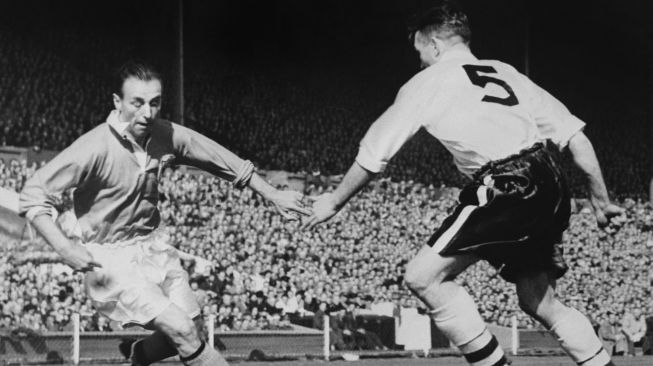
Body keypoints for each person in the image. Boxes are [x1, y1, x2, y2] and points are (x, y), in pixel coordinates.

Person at [304, 2, 622, 366]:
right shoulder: (506, 72)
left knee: (423, 277)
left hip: (507, 181)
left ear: (435, 45)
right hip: (551, 180)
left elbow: (374, 153)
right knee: (540, 302)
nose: (420, 60)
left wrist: (334, 201)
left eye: (420, 51)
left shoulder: (428, 81)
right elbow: (576, 137)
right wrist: (601, 199)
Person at [19, 60, 310, 366]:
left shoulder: (165, 133)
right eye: (137, 103)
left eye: (154, 103)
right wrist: (65, 248)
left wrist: (273, 193)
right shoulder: (94, 147)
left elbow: (221, 159)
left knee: (193, 328)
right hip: (109, 258)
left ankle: (140, 355)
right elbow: (33, 194)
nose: (147, 112)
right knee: (182, 330)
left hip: (152, 247)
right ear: (117, 102)